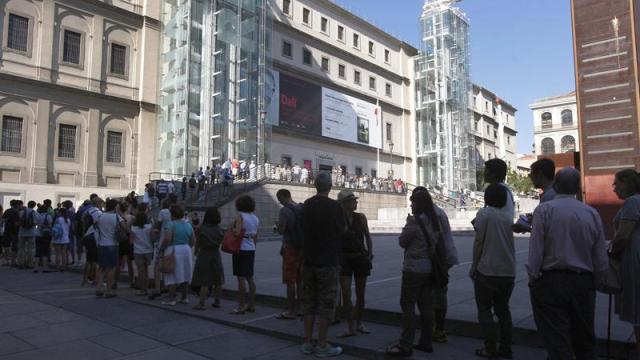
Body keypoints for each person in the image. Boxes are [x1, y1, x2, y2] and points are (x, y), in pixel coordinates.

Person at [527, 167, 608, 360]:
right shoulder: (591, 213)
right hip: (583, 282)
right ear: (578, 188)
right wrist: (599, 278)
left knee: (557, 337)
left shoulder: (545, 210)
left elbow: (536, 248)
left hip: (551, 280)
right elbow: (599, 253)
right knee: (584, 337)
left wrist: (533, 276)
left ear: (555, 185)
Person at [387, 190, 457, 357]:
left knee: (408, 305)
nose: (411, 205)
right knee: (426, 306)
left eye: (413, 202)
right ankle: (426, 341)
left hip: (413, 269)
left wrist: (407, 224)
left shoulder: (415, 222)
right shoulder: (434, 221)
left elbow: (402, 242)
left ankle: (406, 344)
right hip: (428, 269)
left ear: (419, 204)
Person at [300, 172, 345, 357]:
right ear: (330, 186)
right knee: (326, 304)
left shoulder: (307, 205)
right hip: (327, 261)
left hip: (309, 261)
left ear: (315, 185)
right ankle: (322, 344)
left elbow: (301, 229)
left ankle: (307, 342)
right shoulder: (334, 206)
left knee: (309, 302)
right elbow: (341, 230)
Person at [470, 184, 515, 358]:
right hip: (507, 271)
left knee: (485, 310)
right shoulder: (508, 217)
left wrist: (474, 266)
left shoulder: (484, 214)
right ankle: (506, 347)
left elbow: (479, 242)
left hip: (487, 270)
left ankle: (490, 348)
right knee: (503, 310)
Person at [411, 186, 459, 344]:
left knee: (436, 295)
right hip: (441, 257)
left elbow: (437, 240)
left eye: (414, 201)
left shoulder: (432, 214)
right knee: (436, 294)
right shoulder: (434, 211)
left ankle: (438, 330)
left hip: (439, 258)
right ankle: (436, 329)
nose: (412, 205)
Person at [336, 189, 373, 338]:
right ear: (345, 204)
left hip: (359, 257)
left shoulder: (361, 217)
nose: (356, 202)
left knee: (361, 293)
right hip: (344, 258)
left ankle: (359, 323)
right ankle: (350, 326)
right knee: (346, 293)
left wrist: (370, 252)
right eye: (353, 200)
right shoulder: (338, 219)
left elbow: (368, 236)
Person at [611, 169, 640, 357]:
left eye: (616, 184)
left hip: (633, 256)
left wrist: (611, 253)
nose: (614, 189)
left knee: (637, 307)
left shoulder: (632, 202)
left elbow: (622, 236)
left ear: (627, 183)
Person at [275, 189, 304, 320]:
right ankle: (301, 309)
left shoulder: (284, 211)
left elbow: (282, 230)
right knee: (300, 280)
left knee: (290, 280)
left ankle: (291, 310)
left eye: (279, 198)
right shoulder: (300, 208)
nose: (279, 201)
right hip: (302, 248)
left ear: (283, 196)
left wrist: (277, 225)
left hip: (290, 247)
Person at [229, 194, 259, 314]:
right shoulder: (255, 218)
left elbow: (237, 233)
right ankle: (251, 305)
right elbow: (256, 235)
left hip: (240, 248)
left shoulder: (240, 216)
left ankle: (241, 306)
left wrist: (231, 227)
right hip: (251, 248)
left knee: (240, 278)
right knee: (250, 278)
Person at [160, 204, 195, 306]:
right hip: (186, 249)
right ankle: (184, 297)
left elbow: (167, 239)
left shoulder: (170, 224)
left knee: (171, 273)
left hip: (173, 249)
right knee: (185, 273)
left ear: (172, 214)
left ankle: (172, 299)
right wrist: (187, 246)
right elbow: (193, 240)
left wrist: (162, 248)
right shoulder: (188, 225)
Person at [191, 207, 225, 310]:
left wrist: (196, 251)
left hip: (204, 254)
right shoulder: (219, 229)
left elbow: (198, 241)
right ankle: (217, 301)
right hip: (216, 254)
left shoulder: (202, 228)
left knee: (204, 280)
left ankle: (201, 303)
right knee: (218, 279)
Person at [94, 199, 127, 298]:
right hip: (112, 244)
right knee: (111, 268)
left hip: (101, 244)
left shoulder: (100, 216)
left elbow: (96, 226)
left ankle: (98, 288)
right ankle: (108, 291)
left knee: (101, 268)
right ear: (115, 206)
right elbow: (126, 228)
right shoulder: (117, 217)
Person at [514, 158, 556, 233]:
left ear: (540, 174)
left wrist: (526, 228)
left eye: (532, 173)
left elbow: (548, 231)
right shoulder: (552, 193)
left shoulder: (549, 197)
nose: (530, 177)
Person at [130, 211, 154, 296]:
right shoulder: (149, 227)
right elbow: (152, 239)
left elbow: (131, 241)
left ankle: (143, 289)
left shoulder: (133, 228)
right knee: (146, 269)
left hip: (138, 251)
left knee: (141, 270)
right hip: (148, 250)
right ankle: (146, 288)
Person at [115, 202, 135, 289]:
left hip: (120, 240)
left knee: (118, 263)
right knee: (130, 263)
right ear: (127, 208)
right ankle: (132, 282)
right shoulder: (132, 217)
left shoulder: (117, 217)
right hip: (128, 239)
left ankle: (115, 282)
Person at [34, 202, 53, 273]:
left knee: (37, 251)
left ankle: (36, 268)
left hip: (38, 234)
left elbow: (35, 223)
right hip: (46, 235)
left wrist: (40, 225)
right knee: (45, 251)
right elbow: (50, 225)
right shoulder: (48, 216)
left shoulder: (37, 215)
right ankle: (45, 268)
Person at [17, 200, 37, 269]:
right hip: (31, 233)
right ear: (34, 206)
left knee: (21, 248)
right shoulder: (34, 213)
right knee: (30, 249)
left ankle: (20, 263)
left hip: (22, 232)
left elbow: (19, 221)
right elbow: (35, 223)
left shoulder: (22, 212)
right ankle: (29, 263)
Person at [52, 207, 71, 271]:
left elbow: (55, 228)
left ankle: (57, 266)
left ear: (60, 213)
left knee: (58, 253)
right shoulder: (68, 220)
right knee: (64, 253)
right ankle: (64, 266)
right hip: (65, 238)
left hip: (58, 237)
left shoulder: (58, 219)